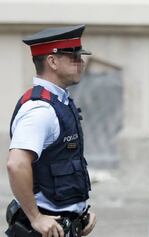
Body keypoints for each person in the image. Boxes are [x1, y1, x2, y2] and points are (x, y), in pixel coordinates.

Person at [6, 25, 97, 237]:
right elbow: (16, 164)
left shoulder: (60, 102)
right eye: (73, 56)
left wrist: (80, 212)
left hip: (62, 227)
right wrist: (36, 218)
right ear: (52, 61)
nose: (81, 62)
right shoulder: (40, 109)